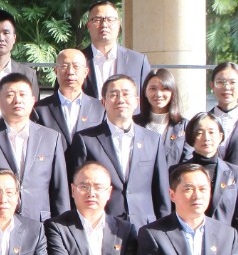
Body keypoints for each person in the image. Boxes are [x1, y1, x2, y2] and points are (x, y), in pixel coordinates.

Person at [67, 75, 170, 227]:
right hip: (103, 226)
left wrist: (164, 228)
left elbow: (161, 191)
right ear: (104, 102)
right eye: (114, 94)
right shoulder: (86, 139)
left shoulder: (153, 140)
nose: (121, 99)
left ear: (137, 101)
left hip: (145, 226)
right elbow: (76, 188)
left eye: (126, 94)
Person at [0, 72, 69, 222]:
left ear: (33, 101)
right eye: (10, 95)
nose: (17, 100)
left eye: (22, 94)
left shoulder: (51, 138)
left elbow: (60, 191)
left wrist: (62, 227)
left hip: (40, 223)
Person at [183, 113, 238, 231]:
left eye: (211, 132)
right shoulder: (178, 172)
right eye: (199, 133)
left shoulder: (235, 173)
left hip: (224, 239)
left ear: (220, 136)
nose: (206, 138)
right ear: (191, 137)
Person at [81, 1, 153, 103]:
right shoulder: (76, 61)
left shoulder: (138, 61)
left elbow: (147, 99)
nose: (104, 24)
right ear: (88, 25)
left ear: (118, 25)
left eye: (110, 20)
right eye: (97, 20)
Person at [32, 49, 106, 144]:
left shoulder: (100, 108)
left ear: (85, 72)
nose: (70, 72)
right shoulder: (39, 109)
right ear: (56, 71)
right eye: (64, 66)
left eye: (76, 66)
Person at [139, 68, 188, 167]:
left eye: (164, 89)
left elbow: (187, 160)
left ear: (172, 92)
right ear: (145, 92)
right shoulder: (134, 123)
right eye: (153, 88)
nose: (158, 94)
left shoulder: (184, 126)